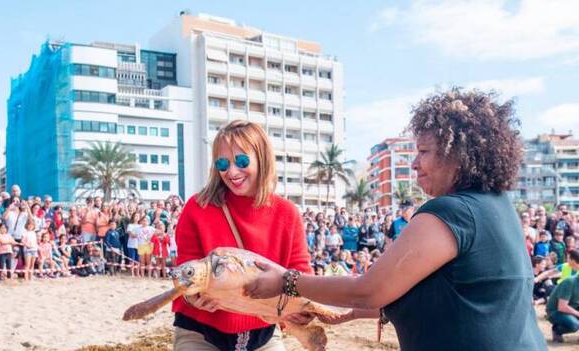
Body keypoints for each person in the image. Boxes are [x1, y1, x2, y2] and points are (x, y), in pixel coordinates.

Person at [245, 89, 547, 350]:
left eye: (424, 151)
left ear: (458, 154)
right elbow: (449, 298)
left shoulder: (452, 213)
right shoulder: (499, 207)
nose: (415, 164)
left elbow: (369, 289)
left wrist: (287, 282)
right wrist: (343, 313)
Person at [172, 120, 311, 351]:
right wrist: (191, 297)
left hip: (264, 331)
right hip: (200, 329)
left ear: (262, 158)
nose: (232, 172)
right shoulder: (197, 208)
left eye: (242, 161)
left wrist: (303, 309)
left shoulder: (287, 213)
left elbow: (300, 272)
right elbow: (185, 269)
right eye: (223, 163)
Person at [546, 275, 579, 342]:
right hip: (556, 311)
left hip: (572, 309)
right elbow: (562, 307)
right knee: (575, 325)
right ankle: (557, 330)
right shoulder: (570, 282)